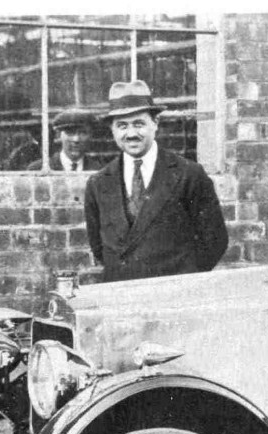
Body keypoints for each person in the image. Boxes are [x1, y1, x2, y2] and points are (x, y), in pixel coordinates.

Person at [84, 80, 228, 282]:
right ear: (112, 130)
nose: (131, 134)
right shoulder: (98, 183)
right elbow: (98, 247)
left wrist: (183, 279)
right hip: (121, 292)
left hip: (174, 292)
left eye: (139, 124)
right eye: (122, 126)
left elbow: (215, 241)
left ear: (155, 123)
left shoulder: (188, 174)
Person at [27, 110, 103, 171]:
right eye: (70, 133)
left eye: (83, 133)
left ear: (90, 136)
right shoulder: (39, 169)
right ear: (59, 135)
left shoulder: (98, 170)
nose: (76, 139)